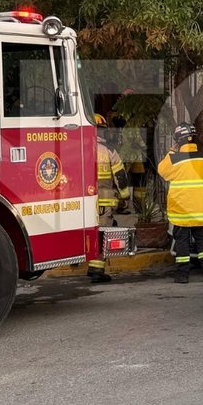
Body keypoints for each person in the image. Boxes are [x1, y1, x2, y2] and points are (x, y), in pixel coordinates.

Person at [158, 123, 203, 284]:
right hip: (200, 208)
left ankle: (182, 275)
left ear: (178, 140)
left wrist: (172, 150)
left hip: (181, 209)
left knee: (182, 242)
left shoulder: (173, 158)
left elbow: (162, 171)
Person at [89, 113, 129, 284]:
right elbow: (120, 177)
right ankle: (97, 269)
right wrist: (125, 197)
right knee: (102, 233)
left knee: (89, 233)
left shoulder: (79, 150)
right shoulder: (109, 151)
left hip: (84, 200)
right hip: (104, 201)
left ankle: (89, 264)